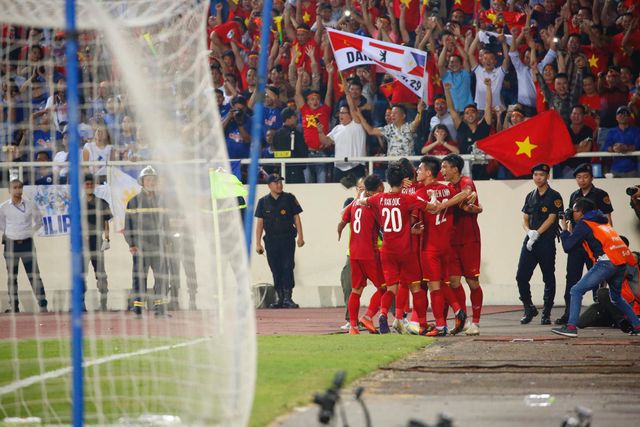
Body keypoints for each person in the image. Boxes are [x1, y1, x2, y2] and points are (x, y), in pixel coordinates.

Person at [356, 163, 430, 334]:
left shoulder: (379, 198)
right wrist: (432, 199)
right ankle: (423, 324)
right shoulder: (407, 199)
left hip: (387, 252)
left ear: (388, 181)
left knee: (390, 289)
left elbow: (362, 200)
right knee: (416, 287)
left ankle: (382, 315)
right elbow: (430, 207)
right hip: (405, 251)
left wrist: (361, 194)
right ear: (403, 181)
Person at [552, 198, 640, 337]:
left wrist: (564, 229)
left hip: (606, 263)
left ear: (581, 212)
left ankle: (570, 327)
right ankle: (637, 325)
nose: (572, 213)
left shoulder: (584, 224)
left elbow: (568, 247)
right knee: (615, 298)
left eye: (574, 210)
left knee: (576, 290)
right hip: (620, 263)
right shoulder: (601, 221)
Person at [414, 156, 470, 336]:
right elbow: (465, 194)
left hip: (430, 246)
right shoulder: (447, 189)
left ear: (429, 173)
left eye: (420, 169)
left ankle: (440, 326)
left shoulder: (422, 193)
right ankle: (458, 310)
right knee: (443, 282)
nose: (417, 172)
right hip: (447, 246)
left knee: (434, 286)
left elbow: (413, 219)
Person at [556, 163, 614, 325]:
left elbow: (608, 220)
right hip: (577, 242)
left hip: (594, 244)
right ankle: (569, 313)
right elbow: (572, 220)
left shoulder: (600, 194)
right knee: (571, 278)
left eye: (585, 177)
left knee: (597, 278)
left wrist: (606, 242)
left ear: (592, 177)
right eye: (578, 177)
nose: (582, 180)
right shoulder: (574, 195)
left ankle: (601, 312)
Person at [337, 174, 386, 335]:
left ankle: (353, 326)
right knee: (385, 287)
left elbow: (342, 221)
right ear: (378, 188)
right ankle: (368, 316)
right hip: (369, 254)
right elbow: (385, 227)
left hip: (354, 254)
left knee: (356, 290)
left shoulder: (353, 204)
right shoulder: (375, 204)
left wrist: (339, 231)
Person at [516, 163, 564, 325]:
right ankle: (528, 307)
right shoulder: (530, 195)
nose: (538, 178)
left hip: (546, 241)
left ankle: (547, 313)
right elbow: (524, 218)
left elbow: (552, 218)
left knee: (548, 277)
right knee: (521, 277)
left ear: (547, 176)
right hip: (530, 241)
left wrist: (537, 233)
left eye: (541, 175)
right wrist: (529, 232)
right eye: (535, 175)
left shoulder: (554, 196)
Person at [441, 154, 484, 336]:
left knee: (473, 281)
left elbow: (466, 194)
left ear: (455, 169)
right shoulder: (447, 188)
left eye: (445, 167)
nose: (442, 171)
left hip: (469, 240)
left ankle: (476, 322)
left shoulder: (466, 181)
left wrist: (443, 205)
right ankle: (463, 320)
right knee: (454, 282)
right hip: (451, 242)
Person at [124, 166, 169, 317]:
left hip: (158, 245)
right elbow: (128, 225)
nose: (150, 182)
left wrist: (167, 241)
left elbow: (166, 223)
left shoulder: (162, 200)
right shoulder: (133, 201)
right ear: (142, 182)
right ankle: (138, 308)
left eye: (152, 180)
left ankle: (160, 309)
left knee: (161, 277)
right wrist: (131, 244)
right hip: (140, 246)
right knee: (139, 277)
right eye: (147, 179)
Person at [255, 173, 305, 309]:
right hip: (271, 240)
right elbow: (260, 223)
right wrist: (258, 243)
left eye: (280, 182)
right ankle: (280, 297)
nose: (279, 185)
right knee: (275, 268)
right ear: (269, 185)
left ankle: (288, 297)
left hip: (287, 238)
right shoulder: (263, 202)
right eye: (276, 183)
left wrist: (300, 236)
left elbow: (296, 218)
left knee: (288, 267)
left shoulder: (289, 198)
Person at [0, 178, 48, 313]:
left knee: (34, 275)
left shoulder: (31, 205)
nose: (17, 190)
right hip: (11, 245)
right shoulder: (3, 207)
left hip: (27, 244)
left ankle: (43, 305)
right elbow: (1, 224)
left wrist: (28, 232)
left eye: (20, 187)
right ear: (9, 190)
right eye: (14, 187)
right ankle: (14, 306)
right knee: (12, 277)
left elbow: (39, 221)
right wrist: (11, 233)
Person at [82, 173, 112, 312]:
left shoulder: (101, 202)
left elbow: (106, 221)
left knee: (100, 273)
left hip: (96, 241)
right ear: (83, 186)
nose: (88, 186)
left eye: (90, 184)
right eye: (86, 184)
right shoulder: (78, 204)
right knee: (81, 273)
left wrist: (107, 238)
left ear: (94, 186)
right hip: (82, 243)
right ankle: (81, 304)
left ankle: (104, 303)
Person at [601, 106, 640, 178]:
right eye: (620, 114)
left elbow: (638, 146)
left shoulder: (636, 130)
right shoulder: (611, 132)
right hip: (615, 169)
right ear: (616, 117)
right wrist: (614, 148)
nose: (622, 116)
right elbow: (606, 147)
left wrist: (625, 147)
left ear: (629, 117)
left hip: (633, 170)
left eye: (625, 114)